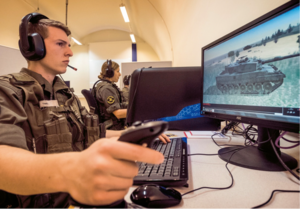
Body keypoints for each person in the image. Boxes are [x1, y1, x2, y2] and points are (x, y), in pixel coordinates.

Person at [0, 13, 166, 209]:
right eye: (61, 44)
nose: (70, 52)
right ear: (34, 47)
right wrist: (75, 170)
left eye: (69, 45)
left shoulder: (64, 92)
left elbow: (91, 133)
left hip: (77, 200)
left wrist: (127, 133)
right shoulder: (8, 90)